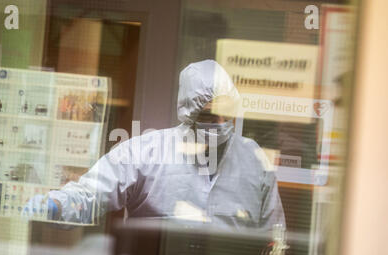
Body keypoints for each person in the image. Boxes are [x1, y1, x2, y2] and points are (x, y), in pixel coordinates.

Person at [23, 60, 285, 232]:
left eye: (226, 113)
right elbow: (90, 195)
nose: (220, 123)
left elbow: (274, 238)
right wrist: (56, 205)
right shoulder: (143, 153)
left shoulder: (253, 159)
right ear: (188, 114)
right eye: (207, 116)